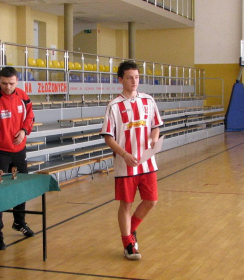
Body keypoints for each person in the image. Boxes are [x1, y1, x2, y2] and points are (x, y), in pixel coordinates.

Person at [100, 60, 163, 260]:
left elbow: (155, 125)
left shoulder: (148, 100)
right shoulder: (114, 106)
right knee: (126, 204)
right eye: (129, 77)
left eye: (136, 77)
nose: (134, 81)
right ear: (120, 80)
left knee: (151, 200)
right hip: (125, 165)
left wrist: (154, 138)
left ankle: (130, 231)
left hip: (147, 163)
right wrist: (124, 154)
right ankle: (128, 244)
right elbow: (108, 136)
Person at [0, 66, 35, 250]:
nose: (8, 87)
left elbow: (30, 117)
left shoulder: (23, 96)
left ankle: (19, 222)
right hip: (0, 153)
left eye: (11, 83)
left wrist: (24, 131)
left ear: (17, 81)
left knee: (21, 188)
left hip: (19, 150)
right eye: (4, 83)